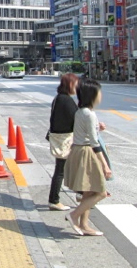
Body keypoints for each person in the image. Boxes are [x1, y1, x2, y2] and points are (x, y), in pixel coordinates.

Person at [64, 79, 112, 236]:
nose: (100, 95)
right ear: (92, 95)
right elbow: (93, 141)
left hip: (79, 151)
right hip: (87, 153)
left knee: (88, 192)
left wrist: (98, 128)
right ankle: (74, 215)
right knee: (100, 192)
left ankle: (84, 225)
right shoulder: (89, 114)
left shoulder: (81, 111)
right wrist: (105, 165)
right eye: (99, 92)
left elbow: (86, 133)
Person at [47, 73, 79, 211]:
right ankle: (54, 200)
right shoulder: (66, 100)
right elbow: (76, 119)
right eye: (76, 84)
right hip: (65, 139)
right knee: (61, 170)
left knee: (67, 168)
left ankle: (81, 193)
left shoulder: (58, 98)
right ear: (70, 84)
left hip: (60, 138)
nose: (77, 87)